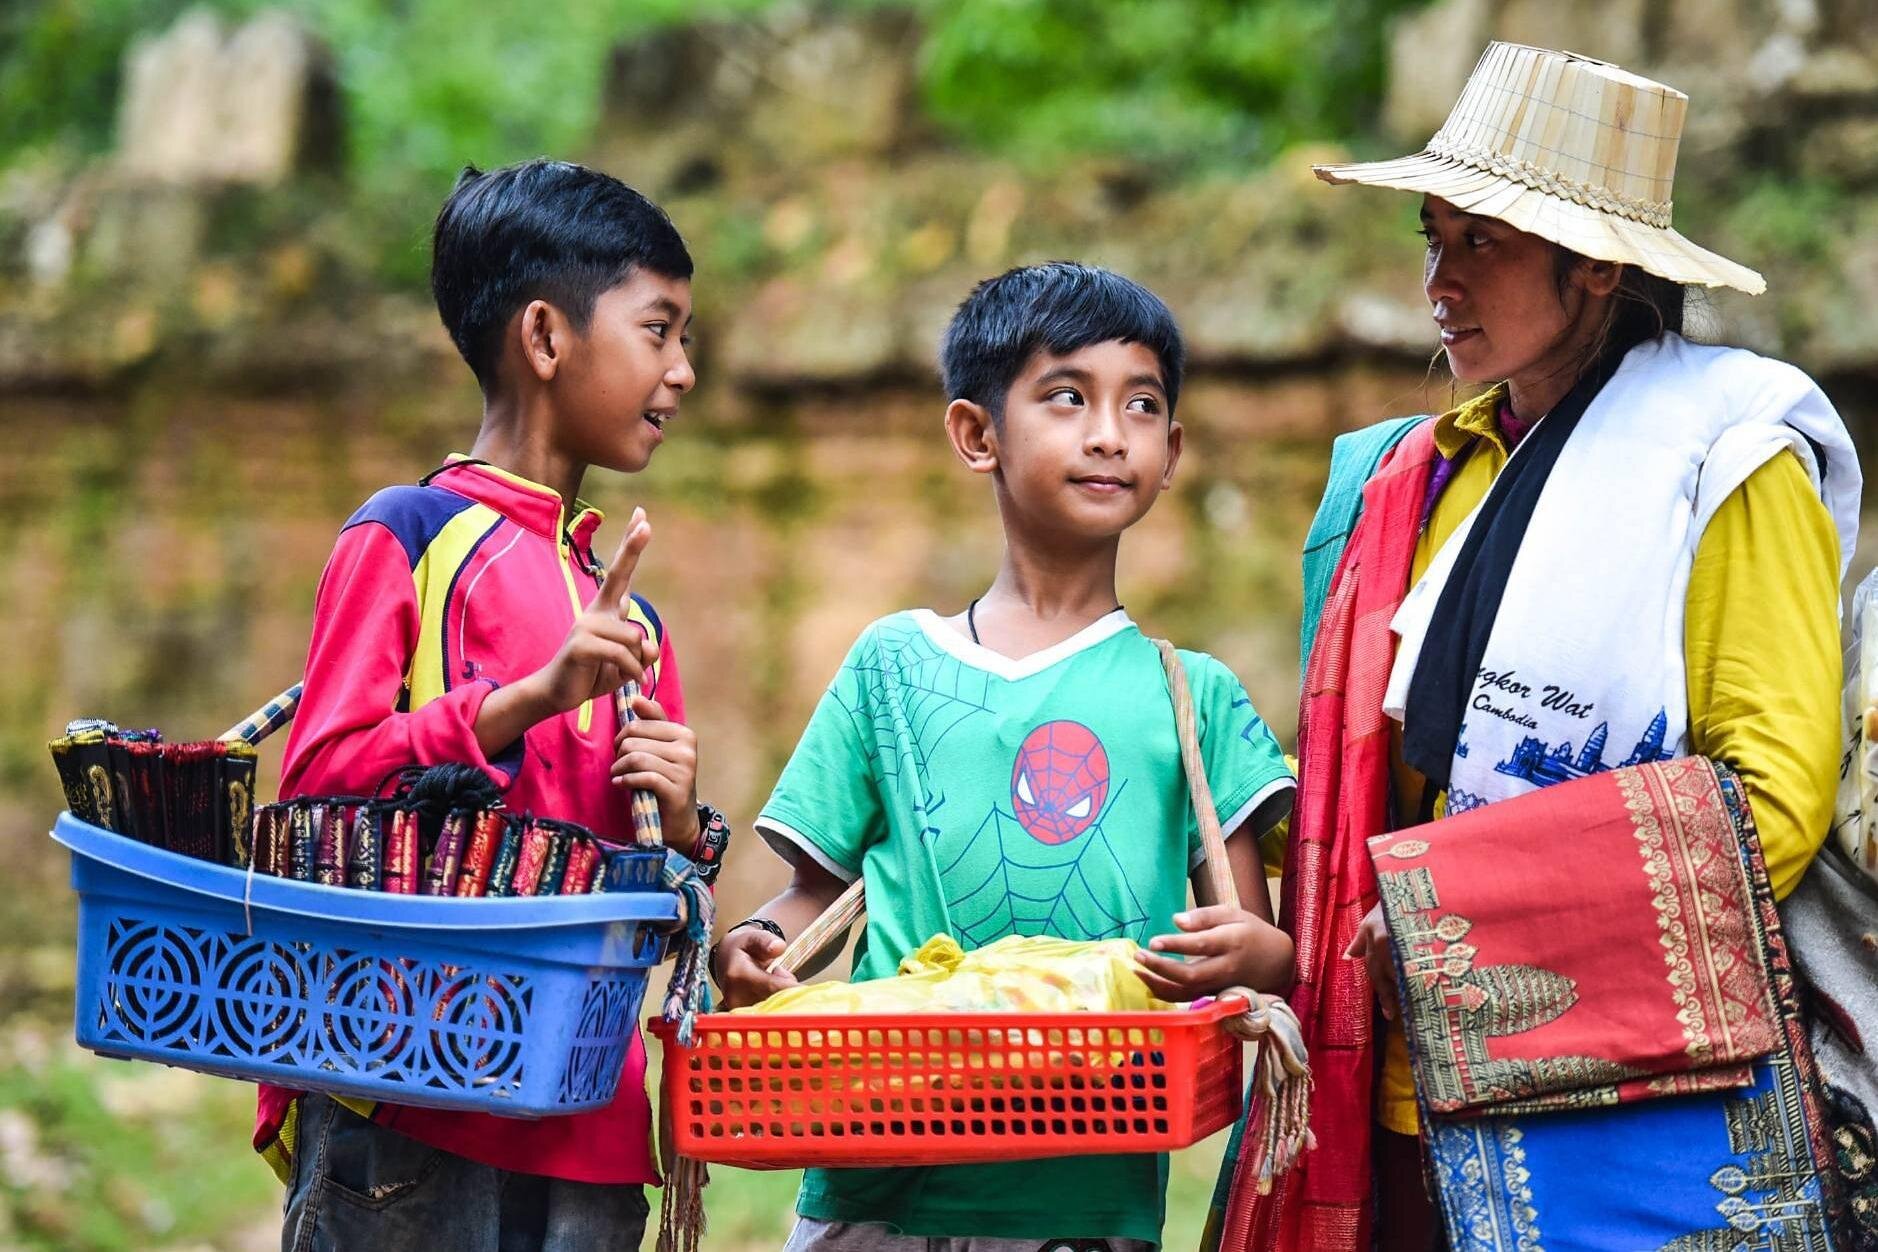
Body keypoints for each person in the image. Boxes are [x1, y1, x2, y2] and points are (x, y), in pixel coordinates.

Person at [1207, 42, 1862, 1252]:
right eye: (1432, 239)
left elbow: (1767, 807)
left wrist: (1461, 913)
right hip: (1394, 1086)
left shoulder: (1726, 465)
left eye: (1483, 244)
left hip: (1613, 1104)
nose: (1439, 283)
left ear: (1599, 265)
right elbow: (1386, 778)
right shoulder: (1423, 475)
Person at [713, 262, 1299, 1251]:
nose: (1109, 433)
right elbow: (813, 897)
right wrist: (752, 946)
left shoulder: (1189, 695)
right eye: (1067, 397)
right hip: (873, 1185)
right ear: (977, 434)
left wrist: (1256, 958)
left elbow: (1261, 945)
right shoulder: (891, 665)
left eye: (1142, 405)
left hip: (1088, 1199)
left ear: (1172, 451)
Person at [268, 158, 720, 1252]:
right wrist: (526, 699)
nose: (683, 370)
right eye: (658, 330)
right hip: (410, 1098)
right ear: (546, 337)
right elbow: (318, 784)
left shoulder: (630, 618)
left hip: (590, 1123)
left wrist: (680, 821)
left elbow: (637, 894)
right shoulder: (408, 535)